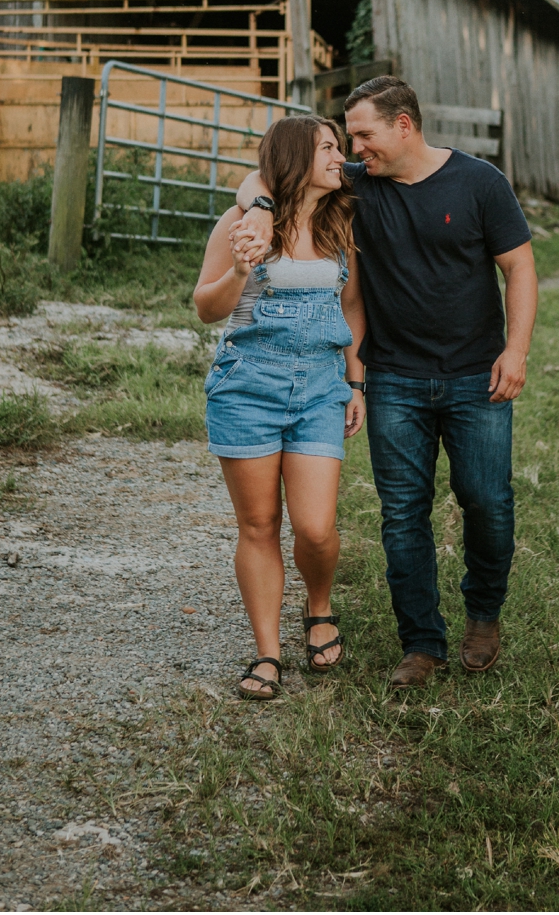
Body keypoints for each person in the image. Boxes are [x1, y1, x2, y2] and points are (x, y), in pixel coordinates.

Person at [229, 76, 537, 687]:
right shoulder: (359, 187)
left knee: (487, 502)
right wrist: (261, 212)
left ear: (404, 125)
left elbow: (519, 266)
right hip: (394, 376)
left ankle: (483, 613)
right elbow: (264, 178)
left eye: (364, 134)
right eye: (347, 139)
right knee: (402, 515)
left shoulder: (481, 183)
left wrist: (516, 349)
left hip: (477, 374)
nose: (352, 150)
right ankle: (422, 643)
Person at [193, 114, 367, 700]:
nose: (339, 156)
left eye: (339, 147)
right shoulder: (242, 223)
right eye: (327, 147)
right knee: (259, 524)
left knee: (316, 528)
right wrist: (240, 271)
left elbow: (354, 307)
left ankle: (319, 606)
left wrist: (356, 382)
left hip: (320, 388)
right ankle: (267, 651)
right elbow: (205, 309)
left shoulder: (343, 223)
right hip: (247, 388)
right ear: (295, 158)